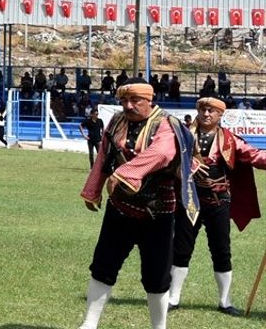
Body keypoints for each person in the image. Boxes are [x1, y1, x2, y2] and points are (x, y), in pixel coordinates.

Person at [76, 82, 198, 329]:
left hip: (158, 213)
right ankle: (89, 324)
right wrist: (92, 190)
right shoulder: (117, 122)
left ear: (149, 100)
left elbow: (162, 154)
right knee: (103, 266)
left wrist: (124, 173)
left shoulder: (167, 124)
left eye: (135, 101)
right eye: (124, 101)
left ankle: (158, 327)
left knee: (156, 276)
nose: (128, 106)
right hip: (120, 208)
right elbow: (103, 154)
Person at [169, 97, 266, 315]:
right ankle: (173, 299)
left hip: (219, 201)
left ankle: (225, 301)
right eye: (203, 109)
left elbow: (256, 156)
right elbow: (166, 158)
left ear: (220, 115)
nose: (206, 114)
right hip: (190, 200)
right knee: (181, 249)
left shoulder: (230, 140)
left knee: (222, 251)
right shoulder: (182, 136)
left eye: (212, 111)